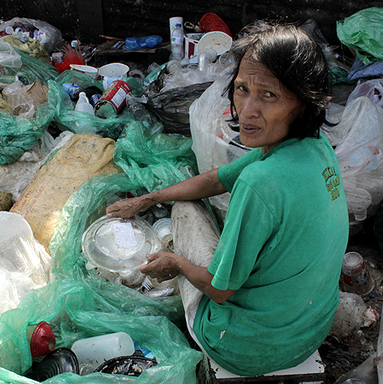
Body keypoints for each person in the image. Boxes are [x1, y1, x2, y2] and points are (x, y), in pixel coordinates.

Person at [106, 22, 349, 376]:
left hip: (245, 347)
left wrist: (175, 262)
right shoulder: (315, 146)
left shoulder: (260, 183)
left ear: (302, 101)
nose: (248, 109)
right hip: (308, 332)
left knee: (186, 210)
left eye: (268, 95)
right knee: (196, 199)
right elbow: (215, 179)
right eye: (242, 89)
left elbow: (219, 291)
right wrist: (146, 199)